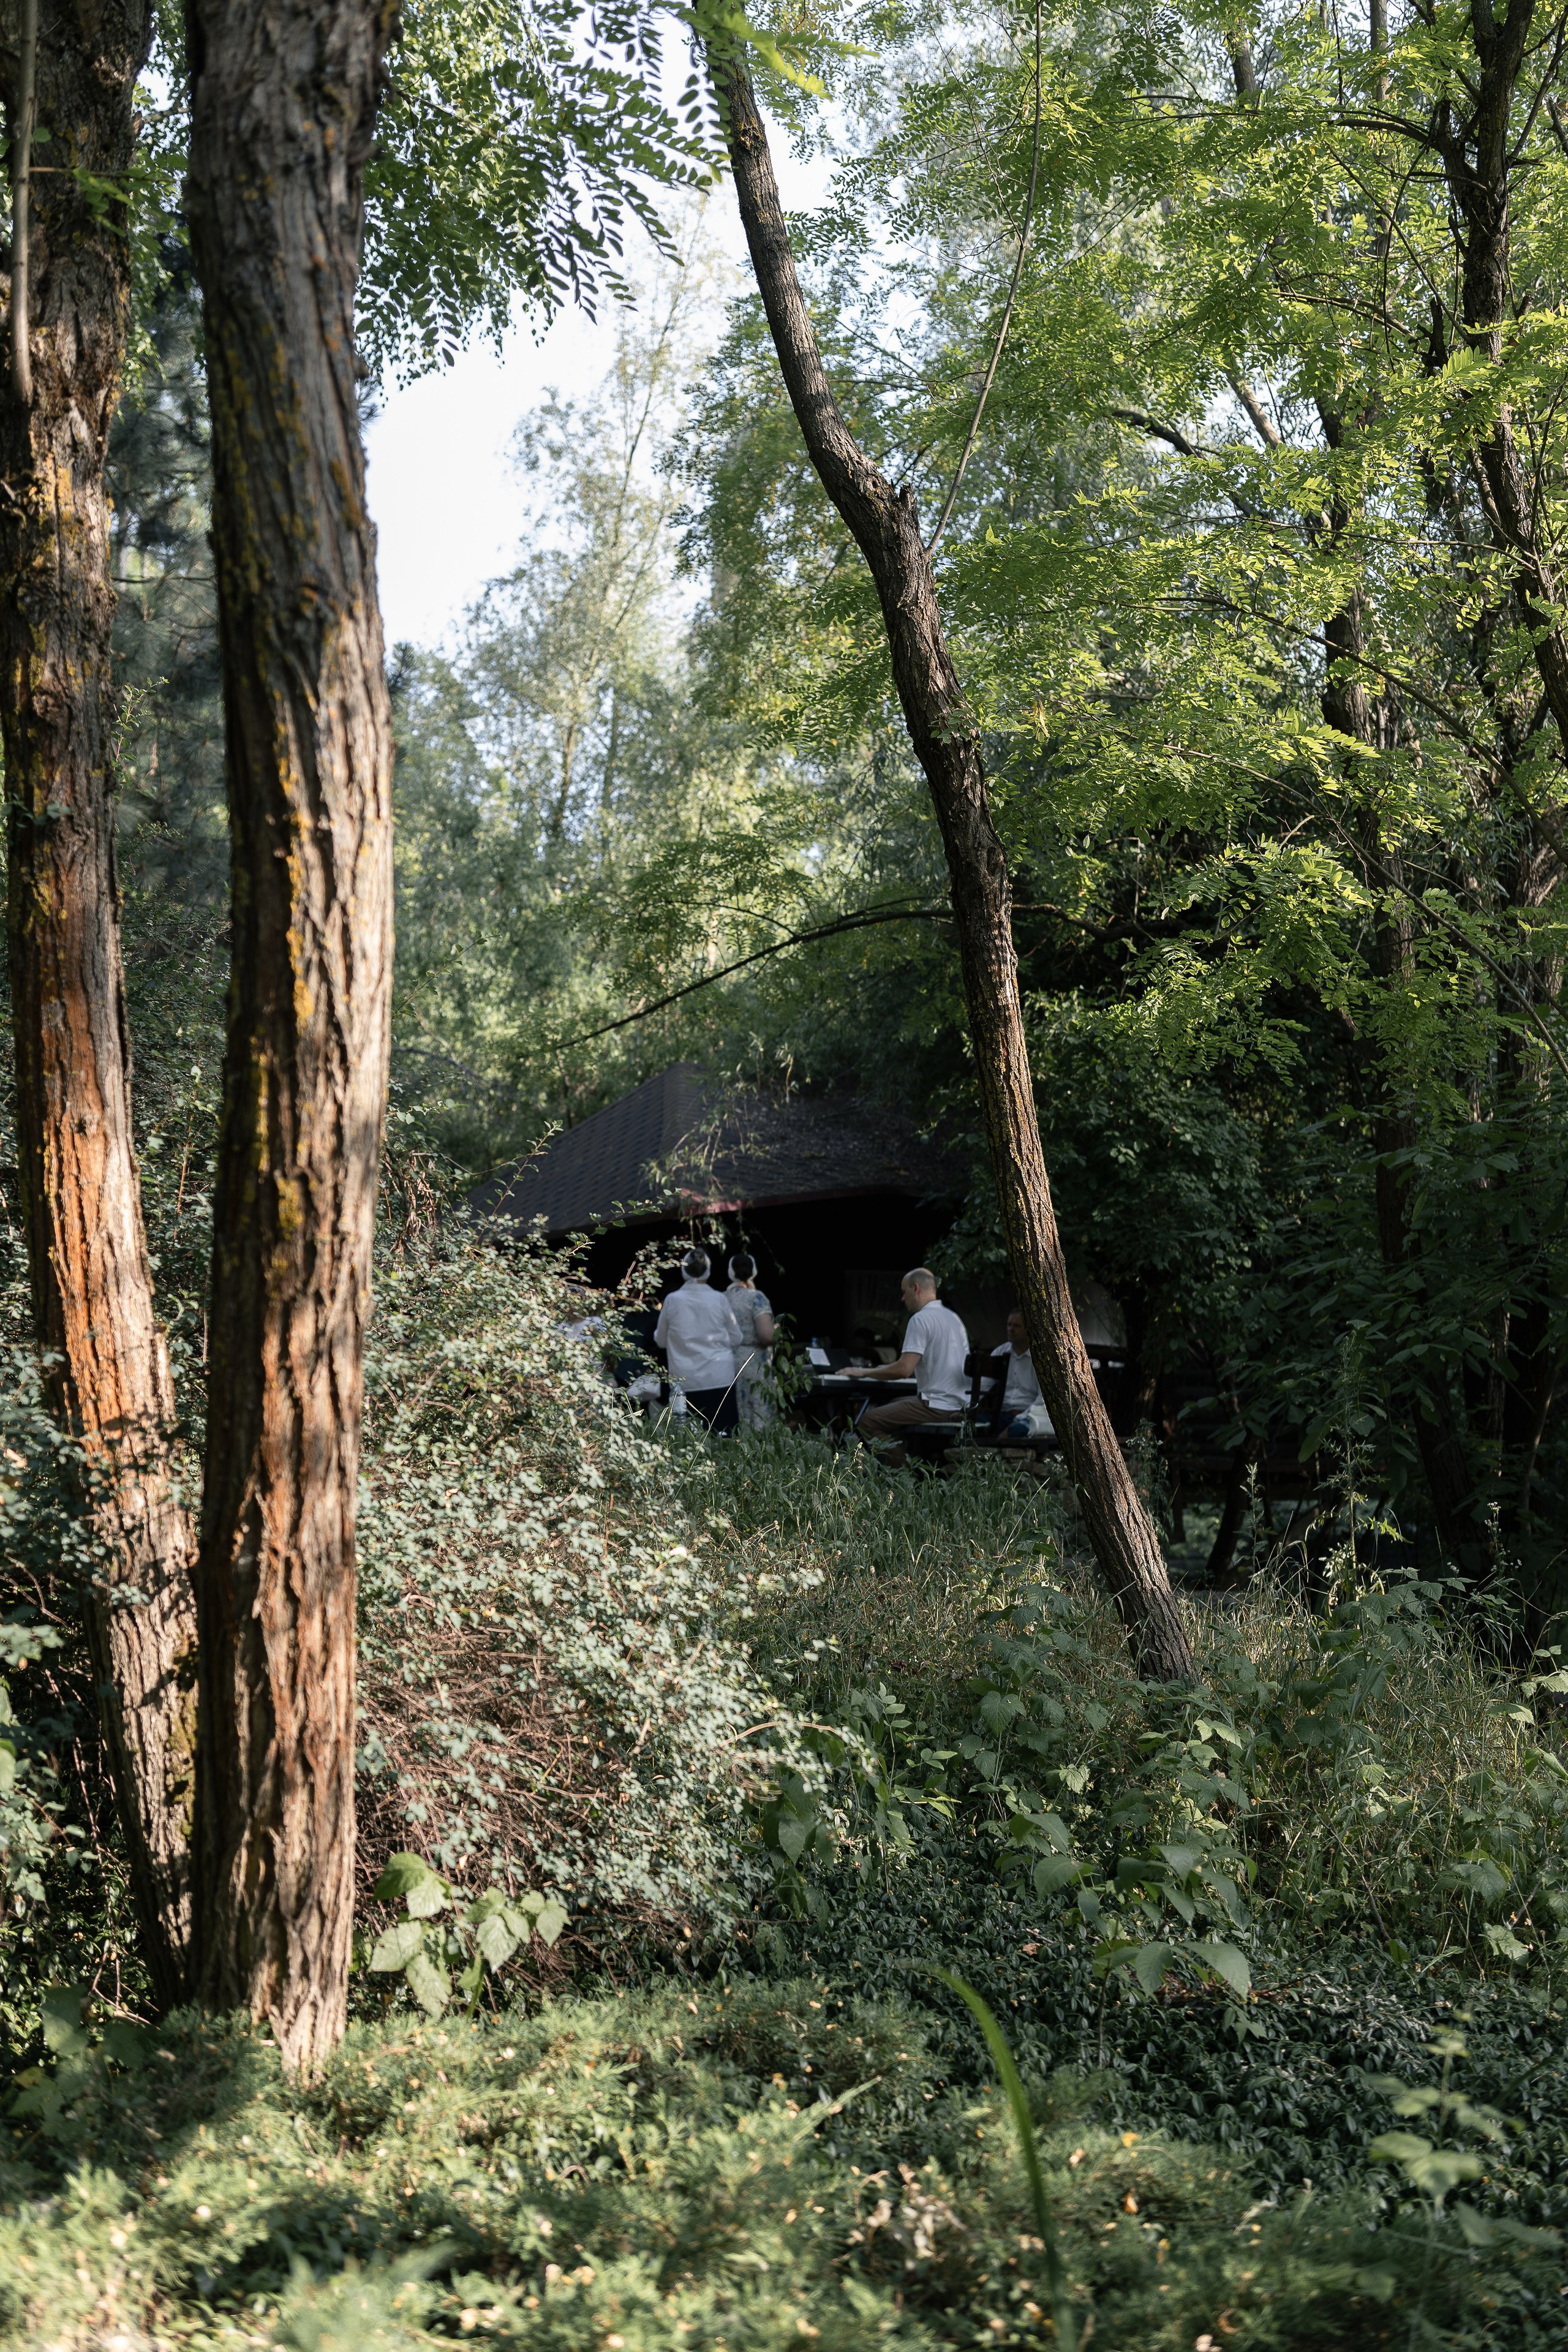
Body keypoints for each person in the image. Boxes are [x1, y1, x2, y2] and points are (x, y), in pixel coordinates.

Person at [854, 1268, 969, 1458]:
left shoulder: (920, 1319)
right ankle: (910, 1454)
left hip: (939, 1406)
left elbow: (903, 1370)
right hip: (960, 1404)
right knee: (893, 1403)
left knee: (867, 1422)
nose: (902, 1298)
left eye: (904, 1292)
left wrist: (863, 1372)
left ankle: (903, 1473)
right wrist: (884, 1369)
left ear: (916, 1288)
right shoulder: (953, 1318)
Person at [654, 1247, 744, 1434]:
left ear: (684, 1270)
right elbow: (737, 1338)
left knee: (690, 1442)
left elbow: (660, 1341)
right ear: (709, 1271)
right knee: (725, 1438)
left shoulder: (672, 1300)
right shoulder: (719, 1299)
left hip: (685, 1380)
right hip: (720, 1376)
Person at [725, 1252, 777, 1428]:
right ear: (753, 1272)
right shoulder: (757, 1298)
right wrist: (779, 1331)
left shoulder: (722, 1299)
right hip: (754, 1363)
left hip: (728, 1361)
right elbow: (767, 1335)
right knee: (758, 1411)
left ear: (731, 1272)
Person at [984, 1308, 1053, 1438]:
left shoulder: (1040, 1358)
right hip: (1001, 1415)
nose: (1011, 1329)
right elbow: (984, 1384)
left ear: (1028, 1329)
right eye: (1009, 1325)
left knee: (1019, 1430)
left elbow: (1042, 1400)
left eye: (1017, 1326)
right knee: (972, 1425)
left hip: (1029, 1417)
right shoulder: (1000, 1353)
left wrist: (1018, 1420)